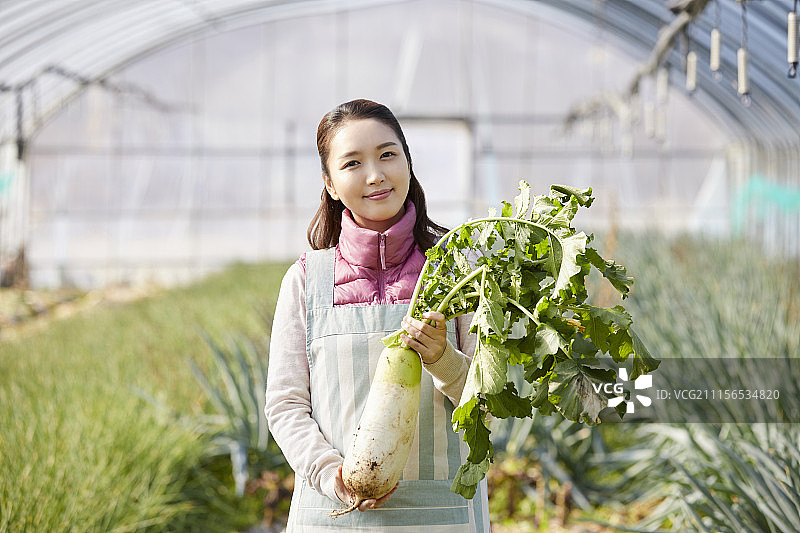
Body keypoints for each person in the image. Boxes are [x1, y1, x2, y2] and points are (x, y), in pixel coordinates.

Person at [264, 99, 490, 532]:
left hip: (444, 518)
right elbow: (286, 404)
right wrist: (333, 476)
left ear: (408, 162)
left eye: (388, 155)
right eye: (353, 163)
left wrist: (443, 357)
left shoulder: (460, 273)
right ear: (329, 183)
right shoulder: (305, 280)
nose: (375, 175)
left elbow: (490, 405)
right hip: (333, 515)